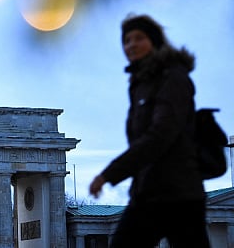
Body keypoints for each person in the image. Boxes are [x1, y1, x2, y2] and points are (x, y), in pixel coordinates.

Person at [89, 14, 210, 247]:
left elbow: (161, 134)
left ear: (154, 41)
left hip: (179, 193)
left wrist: (109, 174)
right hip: (148, 190)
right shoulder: (139, 83)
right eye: (126, 40)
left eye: (139, 38)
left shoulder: (173, 77)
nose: (131, 45)